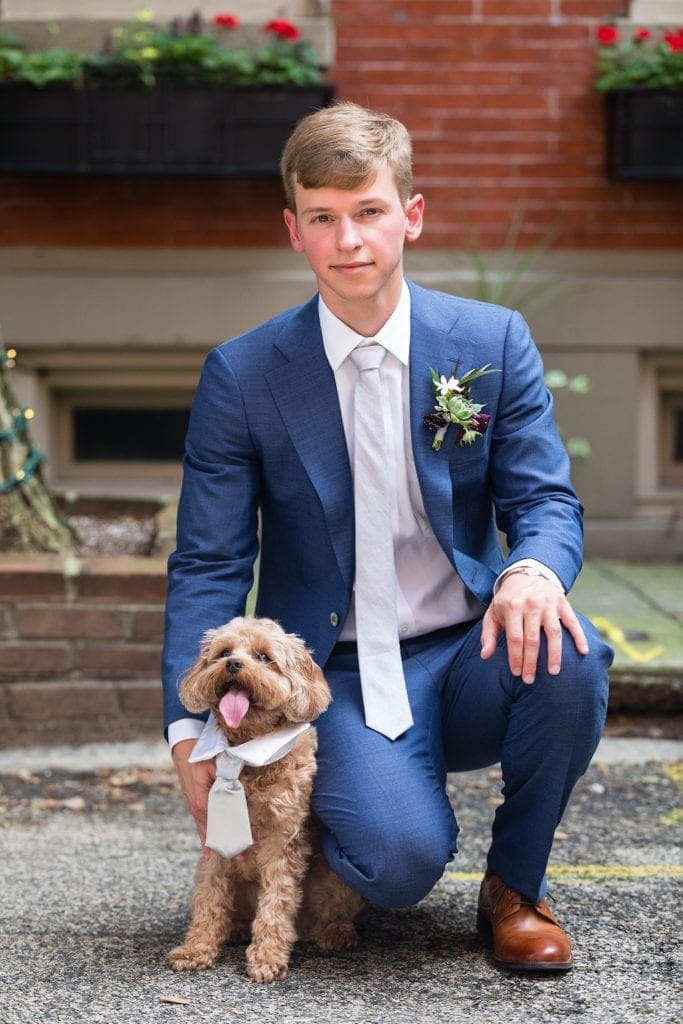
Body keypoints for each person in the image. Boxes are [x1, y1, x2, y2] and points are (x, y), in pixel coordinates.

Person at [162, 102, 613, 973]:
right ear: (294, 230)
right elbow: (211, 562)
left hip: (469, 650)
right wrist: (189, 732)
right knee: (397, 865)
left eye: (368, 211)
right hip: (336, 678)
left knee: (571, 654)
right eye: (323, 218)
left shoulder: (488, 342)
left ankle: (515, 888)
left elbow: (546, 501)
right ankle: (357, 797)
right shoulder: (244, 374)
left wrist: (529, 570)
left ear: (409, 214)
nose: (349, 240)